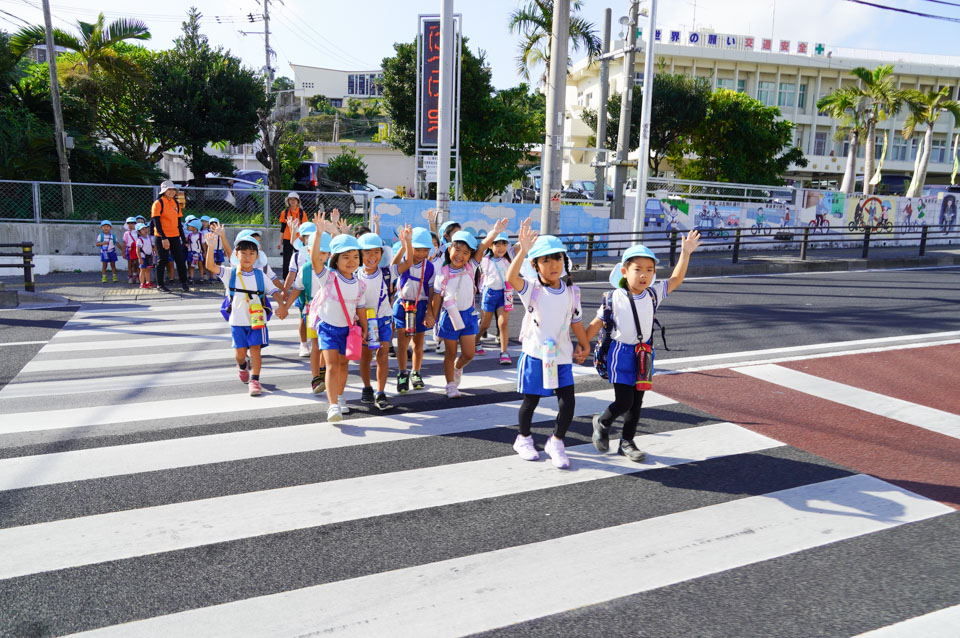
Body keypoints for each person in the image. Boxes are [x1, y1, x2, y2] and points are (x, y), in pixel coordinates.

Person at [585, 230, 702, 462]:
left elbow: (676, 279)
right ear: (624, 272)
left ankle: (627, 442)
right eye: (638, 269)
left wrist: (685, 253)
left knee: (637, 401)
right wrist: (580, 344)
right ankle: (602, 421)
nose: (644, 275)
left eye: (650, 270)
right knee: (624, 400)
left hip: (644, 354)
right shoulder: (613, 297)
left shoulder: (653, 294)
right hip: (620, 353)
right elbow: (596, 323)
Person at [505, 220, 590, 469]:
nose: (553, 265)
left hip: (561, 356)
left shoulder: (572, 291)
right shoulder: (531, 289)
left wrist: (584, 345)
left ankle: (556, 441)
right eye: (545, 260)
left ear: (564, 260)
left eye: (557, 258)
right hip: (535, 354)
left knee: (568, 403)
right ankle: (523, 438)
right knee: (531, 401)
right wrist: (523, 249)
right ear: (535, 265)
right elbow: (511, 277)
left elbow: (576, 321)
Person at [430, 219, 509, 399]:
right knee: (450, 353)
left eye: (466, 252)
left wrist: (495, 231)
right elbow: (436, 297)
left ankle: (458, 368)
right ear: (449, 249)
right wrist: (433, 318)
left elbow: (483, 246)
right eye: (457, 250)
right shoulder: (441, 274)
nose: (460, 255)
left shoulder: (470, 266)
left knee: (469, 353)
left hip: (468, 316)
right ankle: (450, 385)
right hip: (449, 318)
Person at [205, 227, 287, 397]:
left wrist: (282, 306)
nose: (247, 257)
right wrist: (211, 246)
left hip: (257, 320)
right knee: (240, 354)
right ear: (237, 254)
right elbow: (210, 266)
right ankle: (242, 366)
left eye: (251, 253)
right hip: (237, 321)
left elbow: (274, 291)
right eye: (244, 253)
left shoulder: (260, 275)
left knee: (255, 349)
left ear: (257, 256)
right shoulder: (230, 273)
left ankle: (255, 380)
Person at [309, 233, 367, 422]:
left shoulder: (360, 284)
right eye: (346, 256)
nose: (352, 261)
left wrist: (364, 328)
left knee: (343, 365)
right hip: (327, 328)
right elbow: (315, 261)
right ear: (335, 259)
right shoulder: (328, 277)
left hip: (348, 331)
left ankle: (340, 396)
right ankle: (333, 405)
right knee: (332, 365)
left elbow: (360, 307)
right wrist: (318, 235)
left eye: (355, 256)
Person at [392, 226, 438, 394]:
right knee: (403, 342)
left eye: (425, 250)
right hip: (403, 305)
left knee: (418, 343)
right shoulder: (405, 261)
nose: (421, 253)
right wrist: (405, 247)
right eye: (417, 249)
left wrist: (430, 311)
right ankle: (402, 373)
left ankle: (416, 372)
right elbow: (393, 267)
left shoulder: (431, 267)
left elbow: (432, 291)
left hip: (420, 306)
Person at [357, 232, 394, 411]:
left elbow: (408, 262)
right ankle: (367, 387)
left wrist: (407, 243)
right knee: (366, 357)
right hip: (363, 321)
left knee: (383, 355)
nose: (373, 257)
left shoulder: (387, 272)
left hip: (384, 319)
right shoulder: (354, 275)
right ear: (360, 255)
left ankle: (381, 392)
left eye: (376, 252)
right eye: (367, 253)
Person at [476, 231, 514, 364]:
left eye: (504, 244)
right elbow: (481, 247)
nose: (501, 247)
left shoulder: (509, 259)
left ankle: (504, 352)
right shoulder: (485, 259)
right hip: (489, 293)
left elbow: (521, 247)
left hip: (505, 294)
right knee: (485, 324)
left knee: (503, 323)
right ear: (491, 246)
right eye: (497, 244)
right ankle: (476, 341)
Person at [282, 221, 317, 357]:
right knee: (303, 317)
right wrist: (284, 291)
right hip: (303, 292)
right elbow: (291, 275)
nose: (309, 238)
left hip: (320, 291)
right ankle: (303, 344)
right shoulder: (297, 256)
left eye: (312, 235)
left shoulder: (323, 252)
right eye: (306, 236)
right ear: (302, 238)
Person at [150, 180, 189, 293]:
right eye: (169, 190)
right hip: (162, 236)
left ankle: (184, 282)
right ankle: (160, 285)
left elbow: (179, 223)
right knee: (163, 260)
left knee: (180, 260)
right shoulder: (158, 203)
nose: (172, 192)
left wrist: (183, 238)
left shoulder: (176, 203)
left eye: (173, 190)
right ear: (164, 191)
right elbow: (156, 222)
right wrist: (163, 238)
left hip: (175, 235)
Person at [278, 192, 308, 279]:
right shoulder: (285, 212)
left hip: (298, 239)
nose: (292, 201)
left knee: (299, 259)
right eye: (290, 199)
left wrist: (304, 240)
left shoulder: (302, 213)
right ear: (288, 201)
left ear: (298, 201)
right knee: (286, 259)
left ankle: (298, 278)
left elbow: (305, 228)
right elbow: (282, 228)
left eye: (294, 199)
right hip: (287, 239)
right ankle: (285, 278)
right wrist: (280, 241)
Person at [185, 219, 204, 283]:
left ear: (195, 228)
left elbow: (203, 244)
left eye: (190, 226)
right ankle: (192, 278)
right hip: (191, 252)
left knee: (200, 265)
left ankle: (201, 277)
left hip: (198, 253)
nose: (188, 227)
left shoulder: (200, 235)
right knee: (191, 266)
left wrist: (205, 252)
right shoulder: (189, 235)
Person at [122, 217, 139, 284]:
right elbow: (124, 243)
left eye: (133, 223)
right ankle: (130, 277)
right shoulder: (126, 233)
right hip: (129, 249)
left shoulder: (138, 232)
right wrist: (123, 252)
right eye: (129, 223)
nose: (131, 225)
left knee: (137, 264)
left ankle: (137, 276)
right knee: (130, 264)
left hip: (137, 249)